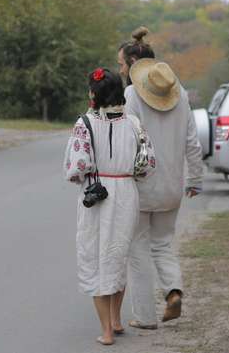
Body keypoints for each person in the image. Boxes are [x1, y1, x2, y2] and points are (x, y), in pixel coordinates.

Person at [64, 68, 156, 346]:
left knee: (95, 258)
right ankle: (116, 319)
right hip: (126, 192)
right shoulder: (135, 123)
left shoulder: (84, 124)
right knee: (118, 255)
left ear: (94, 94)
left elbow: (77, 168)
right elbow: (147, 165)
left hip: (97, 194)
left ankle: (106, 331)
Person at [119, 30, 204, 329]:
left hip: (141, 185)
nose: (120, 70)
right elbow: (193, 141)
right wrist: (195, 178)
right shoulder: (179, 93)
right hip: (172, 186)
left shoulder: (130, 96)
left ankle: (144, 316)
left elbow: (125, 139)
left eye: (121, 65)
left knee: (138, 247)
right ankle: (173, 291)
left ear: (132, 63)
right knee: (163, 244)